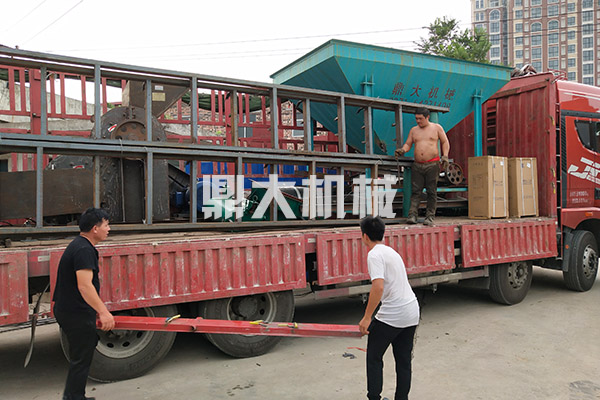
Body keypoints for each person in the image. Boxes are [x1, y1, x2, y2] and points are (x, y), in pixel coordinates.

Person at [53, 208, 115, 400]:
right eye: (106, 225)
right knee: (81, 359)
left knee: (83, 353)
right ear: (95, 228)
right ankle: (73, 397)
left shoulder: (80, 245)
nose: (109, 229)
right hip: (75, 312)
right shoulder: (84, 250)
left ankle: (75, 395)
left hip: (72, 310)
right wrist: (103, 312)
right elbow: (85, 286)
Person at [359, 216, 420, 400]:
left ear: (365, 236)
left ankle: (374, 398)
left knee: (374, 357)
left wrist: (367, 317)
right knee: (403, 361)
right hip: (411, 311)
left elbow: (378, 287)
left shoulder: (374, 254)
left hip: (394, 314)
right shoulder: (391, 252)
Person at [395, 107, 450, 226]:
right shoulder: (414, 130)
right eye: (416, 118)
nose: (418, 121)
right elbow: (408, 144)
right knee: (416, 191)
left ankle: (430, 217)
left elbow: (445, 142)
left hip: (432, 164)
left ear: (427, 117)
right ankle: (412, 215)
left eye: (420, 118)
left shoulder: (437, 128)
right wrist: (402, 150)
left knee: (431, 191)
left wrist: (445, 156)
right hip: (417, 165)